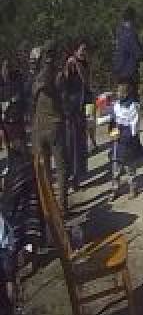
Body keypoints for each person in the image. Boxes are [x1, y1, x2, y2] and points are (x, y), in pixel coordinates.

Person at [29, 45, 66, 211]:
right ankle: (58, 205)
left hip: (44, 126)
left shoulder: (39, 78)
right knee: (57, 168)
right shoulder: (56, 74)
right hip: (51, 125)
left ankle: (54, 207)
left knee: (49, 170)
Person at [59, 41, 92, 191]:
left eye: (85, 49)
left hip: (80, 107)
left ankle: (77, 177)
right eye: (81, 49)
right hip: (70, 109)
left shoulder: (83, 64)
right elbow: (63, 82)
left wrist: (78, 64)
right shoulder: (68, 64)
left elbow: (86, 80)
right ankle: (70, 179)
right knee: (70, 144)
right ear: (75, 50)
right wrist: (68, 65)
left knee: (80, 143)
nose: (84, 52)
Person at [108, 82, 141, 199]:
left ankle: (133, 188)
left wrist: (129, 137)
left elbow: (134, 123)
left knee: (129, 166)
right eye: (117, 91)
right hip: (117, 136)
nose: (118, 93)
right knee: (115, 166)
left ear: (126, 94)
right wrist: (113, 133)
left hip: (127, 137)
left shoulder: (133, 106)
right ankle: (115, 189)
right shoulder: (116, 105)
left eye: (120, 92)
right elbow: (113, 120)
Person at [111, 6, 143, 101]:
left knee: (122, 98)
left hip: (119, 71)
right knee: (130, 100)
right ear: (133, 18)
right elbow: (138, 54)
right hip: (129, 73)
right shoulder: (130, 34)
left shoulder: (119, 33)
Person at [0, 59, 26, 156]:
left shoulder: (16, 82)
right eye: (5, 68)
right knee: (8, 149)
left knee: (20, 147)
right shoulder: (1, 84)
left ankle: (22, 160)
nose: (6, 70)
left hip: (16, 120)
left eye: (8, 67)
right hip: (5, 122)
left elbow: (21, 98)